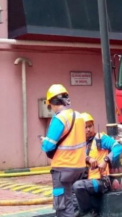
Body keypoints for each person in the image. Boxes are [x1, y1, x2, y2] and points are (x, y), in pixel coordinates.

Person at [40, 84, 87, 217]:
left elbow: (48, 146)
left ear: (53, 103)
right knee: (72, 201)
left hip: (63, 168)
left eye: (50, 105)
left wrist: (44, 142)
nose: (51, 108)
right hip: (79, 167)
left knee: (63, 207)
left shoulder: (59, 118)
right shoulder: (79, 116)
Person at [72, 113, 122, 217]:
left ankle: (89, 212)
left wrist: (106, 160)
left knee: (78, 186)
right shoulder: (80, 143)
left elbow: (118, 147)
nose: (88, 130)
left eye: (90, 126)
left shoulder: (100, 138)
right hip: (87, 181)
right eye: (85, 127)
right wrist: (88, 158)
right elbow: (75, 156)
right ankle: (77, 211)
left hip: (101, 182)